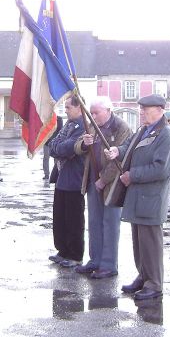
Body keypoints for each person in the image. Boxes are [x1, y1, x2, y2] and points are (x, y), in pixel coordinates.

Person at [104, 94, 170, 299]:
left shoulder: (166, 135)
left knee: (151, 243)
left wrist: (133, 175)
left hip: (151, 198)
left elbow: (162, 169)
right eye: (141, 109)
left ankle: (154, 283)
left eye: (146, 109)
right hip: (138, 196)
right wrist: (118, 150)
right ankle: (143, 276)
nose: (142, 112)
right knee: (139, 240)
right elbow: (131, 149)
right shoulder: (144, 130)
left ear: (160, 110)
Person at [74, 96, 131, 278]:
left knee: (110, 223)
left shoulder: (121, 128)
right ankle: (95, 260)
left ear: (108, 110)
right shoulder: (92, 126)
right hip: (92, 182)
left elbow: (120, 159)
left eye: (96, 112)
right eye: (91, 112)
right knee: (95, 222)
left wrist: (104, 180)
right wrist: (84, 143)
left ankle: (108, 265)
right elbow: (77, 147)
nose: (93, 115)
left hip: (112, 185)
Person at [48, 95, 85, 267]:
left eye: (69, 107)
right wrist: (59, 149)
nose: (66, 109)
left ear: (79, 108)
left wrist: (59, 149)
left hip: (74, 178)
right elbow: (53, 145)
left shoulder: (83, 126)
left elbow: (69, 148)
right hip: (62, 176)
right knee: (60, 216)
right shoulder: (68, 125)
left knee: (73, 218)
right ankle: (63, 250)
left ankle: (75, 255)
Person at [43, 115, 63, 180]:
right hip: (46, 142)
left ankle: (56, 174)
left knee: (56, 159)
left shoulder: (59, 119)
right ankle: (46, 175)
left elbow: (60, 131)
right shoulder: (45, 118)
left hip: (55, 142)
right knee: (46, 158)